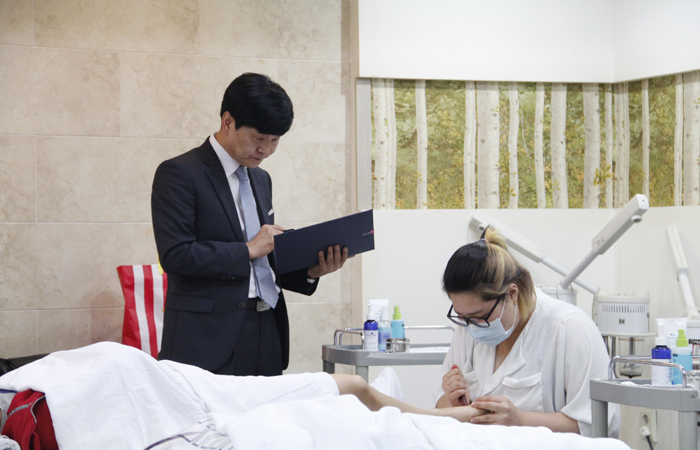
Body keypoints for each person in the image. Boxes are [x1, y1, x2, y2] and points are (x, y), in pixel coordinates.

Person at [151, 73, 348, 376]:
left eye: (275, 141)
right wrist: (248, 249)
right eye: (258, 138)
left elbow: (262, 263)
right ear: (228, 122)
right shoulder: (179, 173)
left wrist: (311, 271)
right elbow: (176, 255)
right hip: (207, 338)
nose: (266, 150)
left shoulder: (260, 178)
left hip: (266, 330)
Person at [434, 226, 620, 437]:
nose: (471, 326)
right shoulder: (468, 326)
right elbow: (440, 406)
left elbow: (599, 424)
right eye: (462, 317)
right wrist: (452, 401)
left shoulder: (571, 329)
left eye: (480, 316)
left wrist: (523, 420)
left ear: (512, 294)